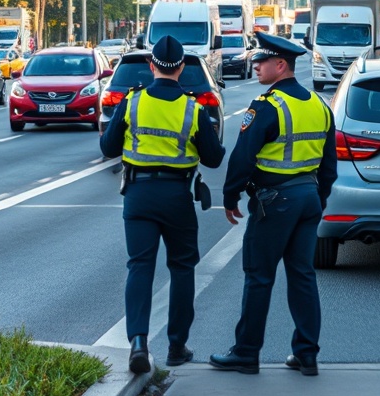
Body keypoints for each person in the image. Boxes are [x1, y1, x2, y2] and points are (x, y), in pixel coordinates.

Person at [209, 32, 337, 376]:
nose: (256, 66)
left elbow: (243, 156)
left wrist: (229, 195)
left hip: (275, 201)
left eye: (261, 62)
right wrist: (318, 199)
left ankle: (246, 353)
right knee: (303, 277)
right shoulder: (318, 104)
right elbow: (329, 165)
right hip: (308, 198)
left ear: (281, 65)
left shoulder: (267, 105)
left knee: (259, 277)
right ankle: (307, 354)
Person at [99, 35, 225, 374]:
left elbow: (108, 148)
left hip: (139, 195)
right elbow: (213, 160)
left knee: (139, 266)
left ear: (152, 66)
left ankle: (138, 342)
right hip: (177, 197)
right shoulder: (192, 108)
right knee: (182, 268)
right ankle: (176, 345)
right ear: (182, 68)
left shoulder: (132, 103)